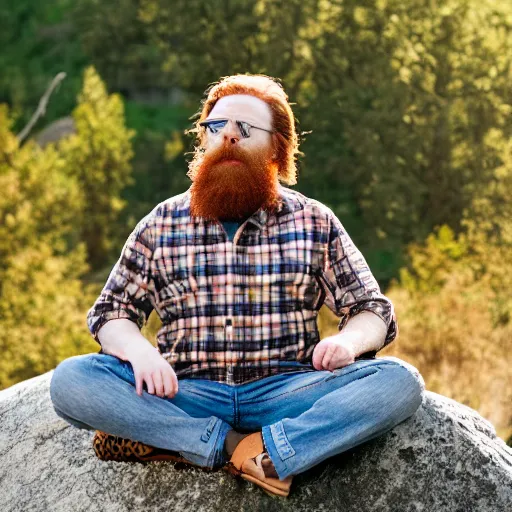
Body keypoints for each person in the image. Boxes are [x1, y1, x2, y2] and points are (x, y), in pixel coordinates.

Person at [50, 73, 425, 498]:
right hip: (185, 391)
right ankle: (233, 448)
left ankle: (242, 447)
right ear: (204, 139)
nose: (228, 136)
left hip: (287, 393)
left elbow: (372, 309)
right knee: (72, 380)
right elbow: (110, 313)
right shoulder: (161, 222)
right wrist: (139, 353)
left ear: (276, 149)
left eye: (245, 129)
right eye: (216, 127)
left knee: (400, 381)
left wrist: (351, 342)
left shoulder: (314, 220)